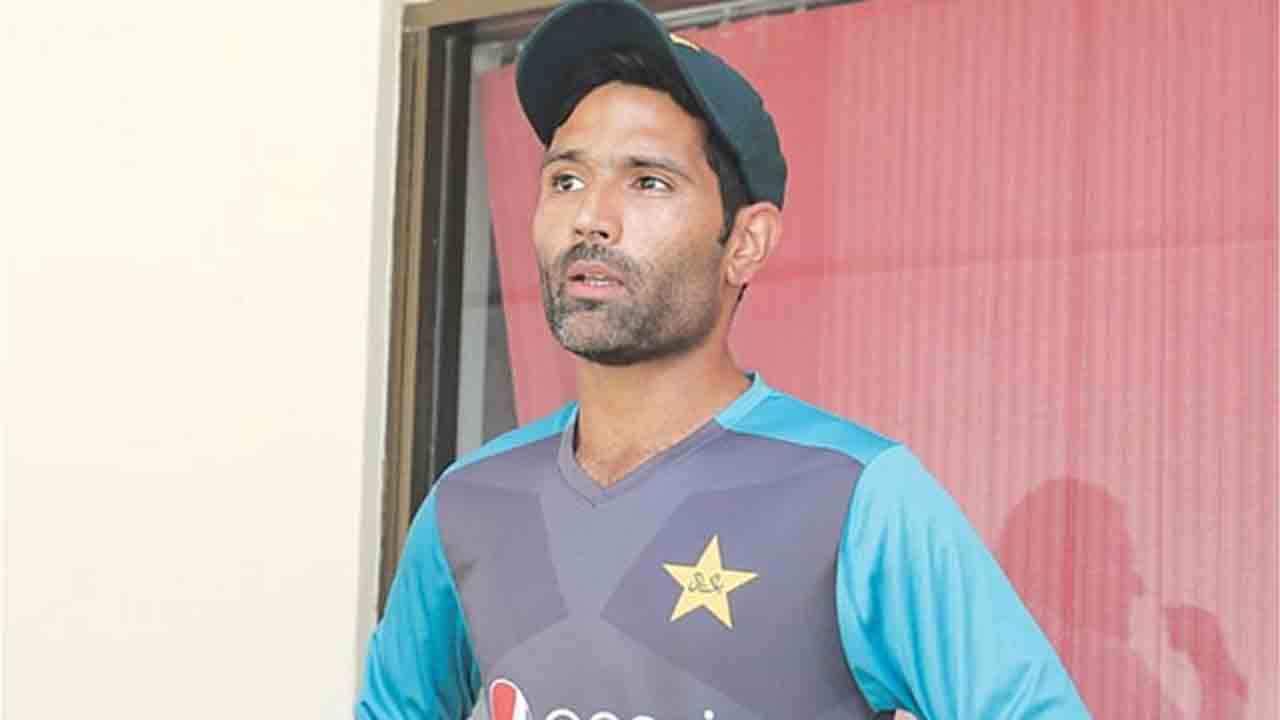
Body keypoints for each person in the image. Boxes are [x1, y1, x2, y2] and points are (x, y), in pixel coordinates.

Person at [357, 1, 1089, 718]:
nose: (591, 218)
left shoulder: (856, 496)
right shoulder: (470, 501)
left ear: (746, 243)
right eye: (566, 180)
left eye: (648, 181)